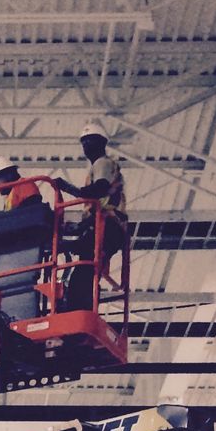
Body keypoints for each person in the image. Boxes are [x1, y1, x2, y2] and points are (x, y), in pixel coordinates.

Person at [53, 121, 128, 309]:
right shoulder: (100, 167)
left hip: (107, 226)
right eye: (84, 142)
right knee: (84, 269)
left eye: (91, 141)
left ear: (102, 143)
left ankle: (76, 312)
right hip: (102, 226)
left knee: (83, 272)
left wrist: (70, 189)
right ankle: (77, 310)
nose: (86, 146)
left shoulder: (103, 163)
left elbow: (100, 189)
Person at [0, 155, 52, 320]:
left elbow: (30, 213)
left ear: (8, 174)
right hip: (15, 253)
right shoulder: (11, 196)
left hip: (24, 248)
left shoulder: (24, 185)